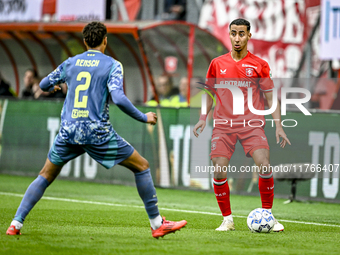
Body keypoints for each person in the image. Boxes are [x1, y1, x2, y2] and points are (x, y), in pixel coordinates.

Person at [6, 21, 187, 238]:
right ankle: (157, 224)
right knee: (142, 166)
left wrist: (52, 86)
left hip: (69, 131)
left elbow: (44, 83)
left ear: (84, 42)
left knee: (45, 175)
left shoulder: (71, 63)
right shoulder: (112, 64)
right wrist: (143, 116)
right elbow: (118, 98)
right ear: (105, 40)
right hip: (96, 132)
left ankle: (15, 224)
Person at [193, 18, 290, 232]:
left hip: (251, 125)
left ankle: (268, 216)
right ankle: (227, 220)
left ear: (249, 36)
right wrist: (202, 117)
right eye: (234, 33)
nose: (237, 38)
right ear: (229, 34)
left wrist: (279, 125)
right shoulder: (217, 63)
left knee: (264, 164)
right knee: (219, 171)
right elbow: (208, 93)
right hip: (223, 125)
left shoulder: (260, 65)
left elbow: (271, 98)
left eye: (241, 34)